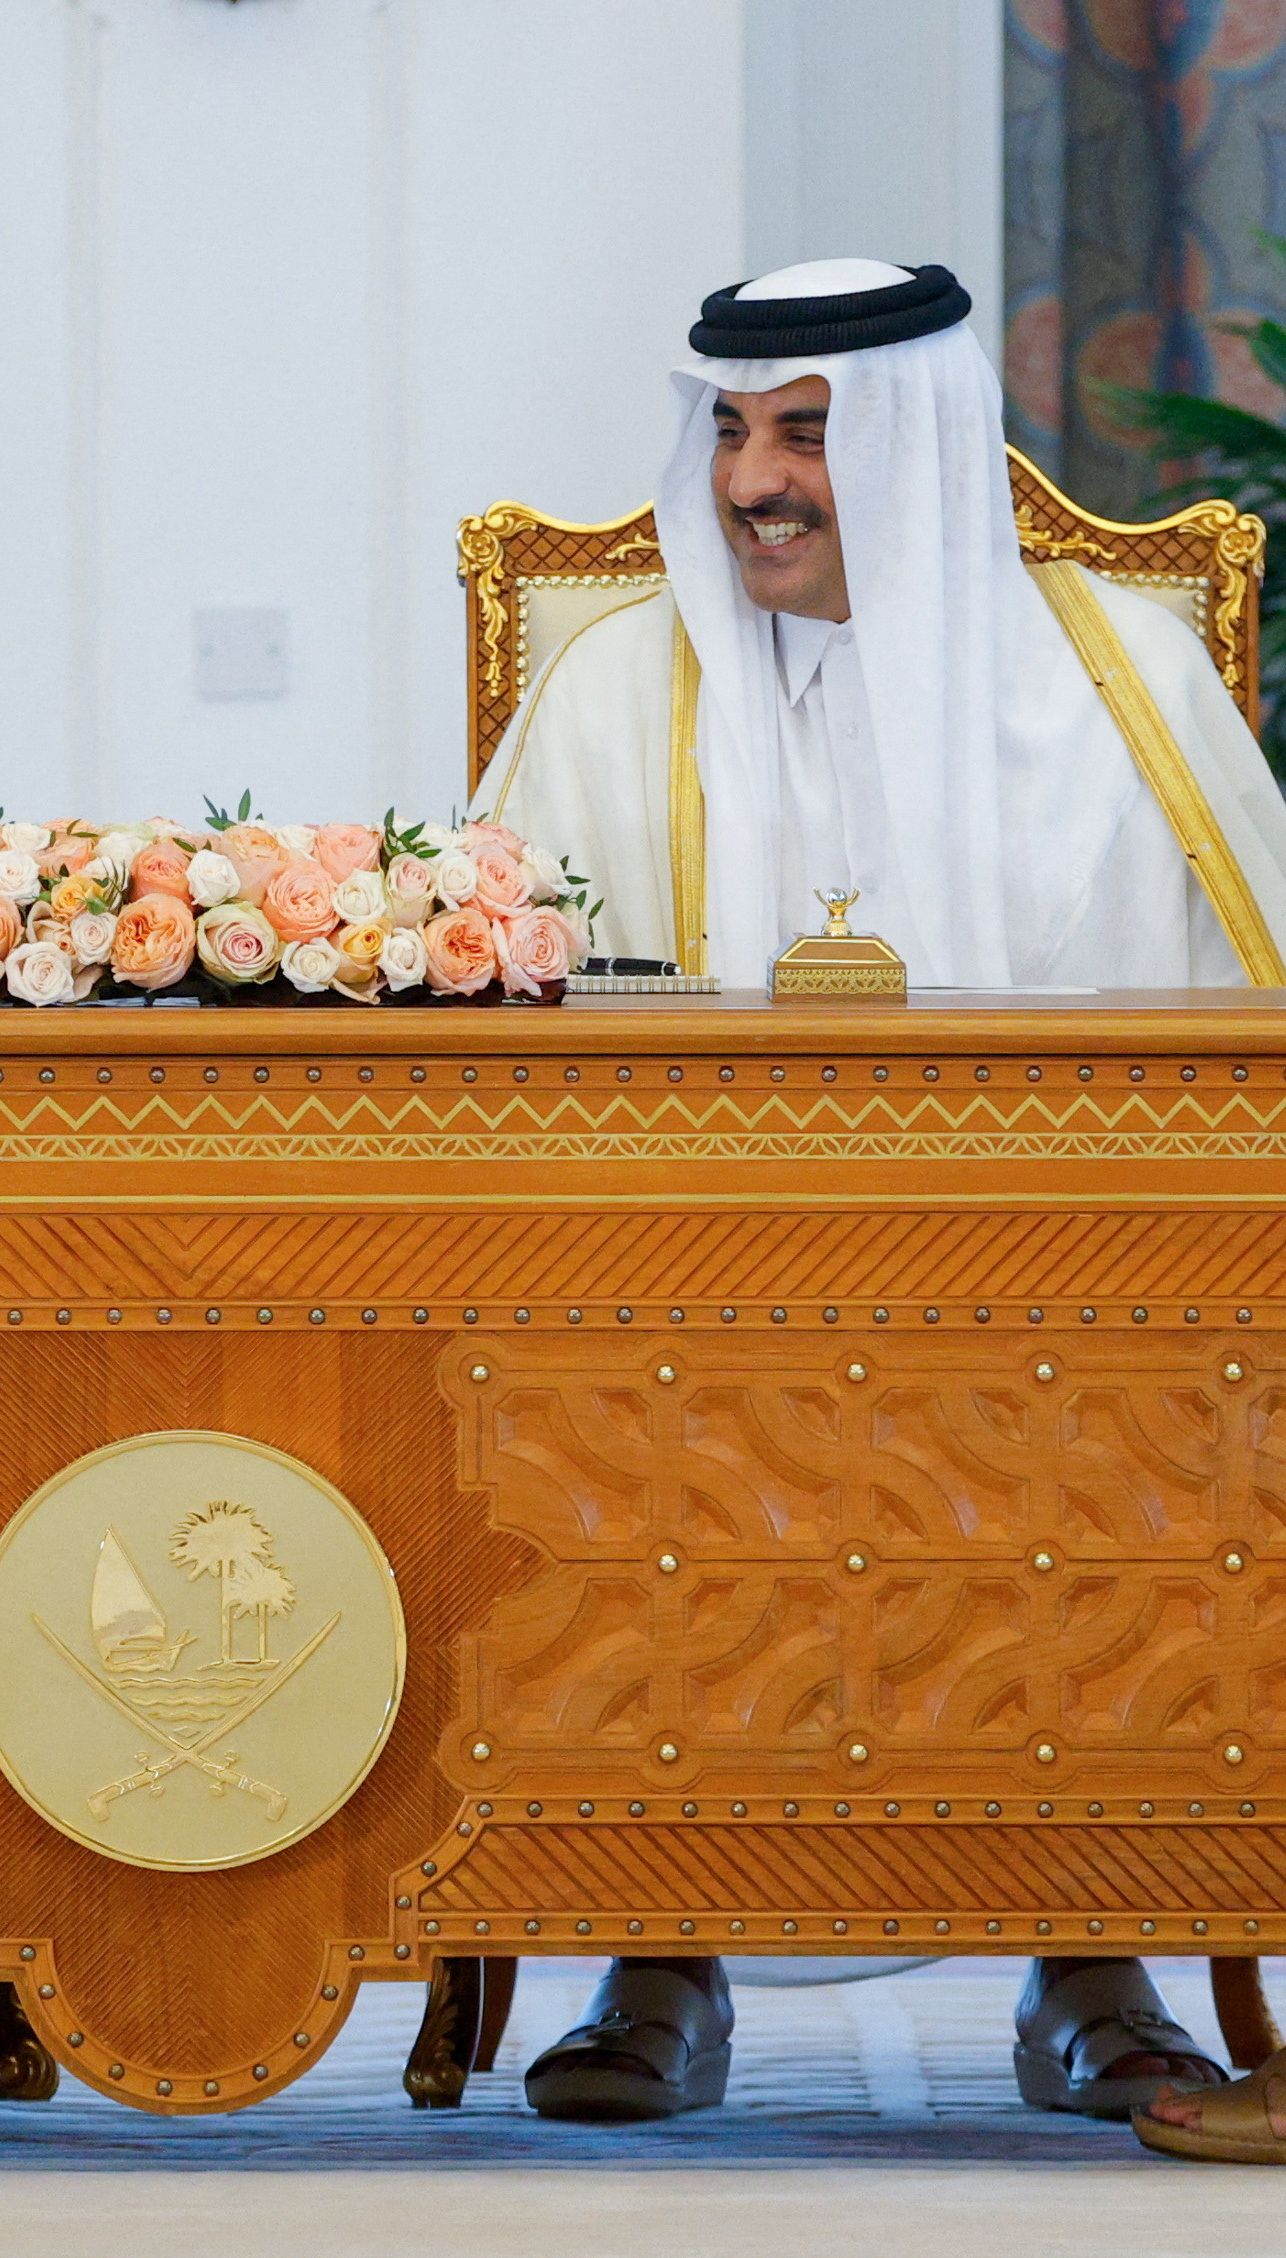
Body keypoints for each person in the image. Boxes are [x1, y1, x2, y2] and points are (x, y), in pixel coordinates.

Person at [477, 258, 1286, 2128]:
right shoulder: (613, 687)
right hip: (680, 1284)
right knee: (597, 1418)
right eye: (732, 432)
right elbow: (495, 1033)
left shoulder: (1121, 686)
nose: (755, 479)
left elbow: (1238, 1029)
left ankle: (1094, 1956)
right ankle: (651, 1946)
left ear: (914, 452)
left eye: (806, 436)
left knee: (1143, 1412)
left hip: (1063, 1293)